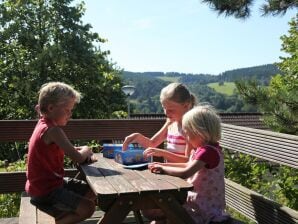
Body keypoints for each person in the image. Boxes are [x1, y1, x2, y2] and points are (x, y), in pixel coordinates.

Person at [25, 82, 96, 224]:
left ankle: (62, 216)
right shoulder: (53, 130)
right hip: (46, 190)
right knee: (88, 208)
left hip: (44, 185)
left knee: (92, 191)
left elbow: (65, 149)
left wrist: (80, 151)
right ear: (51, 108)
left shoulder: (43, 124)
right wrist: (86, 150)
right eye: (67, 110)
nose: (70, 114)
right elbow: (78, 158)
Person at [149, 105, 230, 224]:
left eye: (187, 133)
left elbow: (186, 172)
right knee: (160, 216)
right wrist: (163, 165)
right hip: (198, 202)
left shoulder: (207, 152)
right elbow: (188, 165)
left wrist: (163, 169)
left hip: (203, 208)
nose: (185, 138)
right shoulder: (205, 150)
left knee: (165, 214)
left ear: (199, 132)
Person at [122, 82, 197, 163]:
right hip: (171, 172)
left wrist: (163, 154)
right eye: (164, 108)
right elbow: (152, 143)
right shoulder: (170, 123)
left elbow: (188, 161)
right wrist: (136, 136)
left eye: (171, 110)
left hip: (184, 174)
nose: (166, 113)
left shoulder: (191, 128)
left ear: (186, 105)